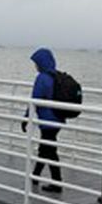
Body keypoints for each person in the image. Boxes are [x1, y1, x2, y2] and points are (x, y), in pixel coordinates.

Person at [25, 48, 63, 193]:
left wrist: (26, 116)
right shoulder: (55, 76)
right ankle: (35, 175)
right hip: (58, 117)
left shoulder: (42, 78)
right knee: (46, 148)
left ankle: (57, 182)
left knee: (50, 151)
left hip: (48, 119)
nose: (35, 66)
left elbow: (35, 99)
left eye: (36, 63)